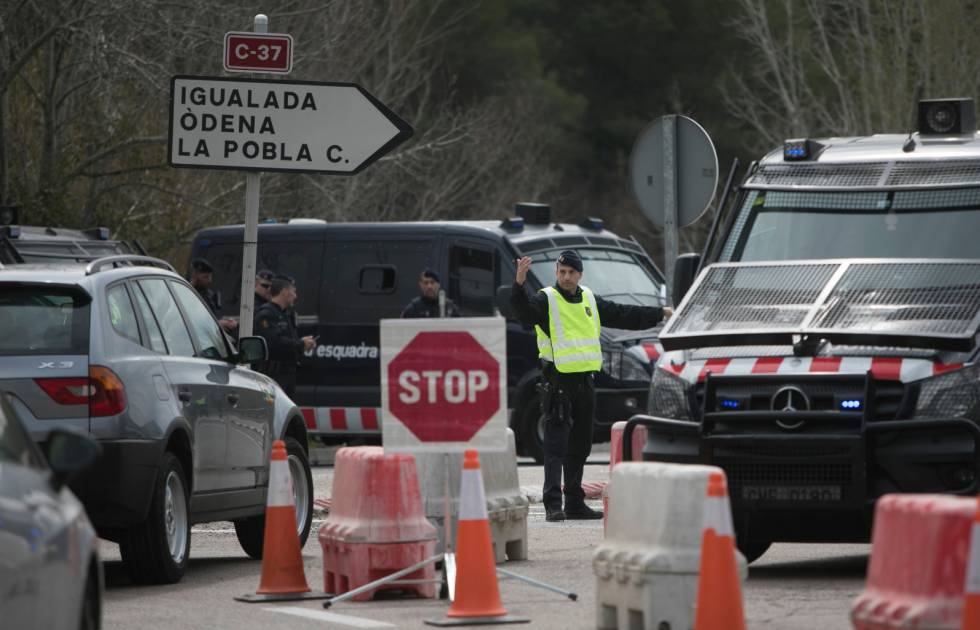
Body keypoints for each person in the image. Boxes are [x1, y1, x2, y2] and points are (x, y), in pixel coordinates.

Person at [511, 250, 672, 522]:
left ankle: (574, 502)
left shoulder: (588, 298)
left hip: (585, 381)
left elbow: (622, 314)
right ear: (556, 273)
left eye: (570, 272)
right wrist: (519, 284)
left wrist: (660, 313)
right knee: (555, 446)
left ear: (579, 274)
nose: (565, 277)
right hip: (558, 381)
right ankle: (553, 504)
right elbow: (523, 313)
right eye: (561, 272)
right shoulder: (546, 299)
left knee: (580, 445)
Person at [253, 274, 315, 398]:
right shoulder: (267, 314)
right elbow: (274, 343)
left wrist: (302, 345)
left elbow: (288, 341)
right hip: (274, 375)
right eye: (293, 291)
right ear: (285, 292)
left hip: (287, 374)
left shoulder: (285, 314)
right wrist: (301, 343)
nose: (295, 296)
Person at [189, 257, 237, 334]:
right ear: (195, 275)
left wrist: (227, 321)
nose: (209, 280)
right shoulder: (188, 294)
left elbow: (214, 316)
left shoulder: (209, 295)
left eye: (210, 276)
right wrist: (216, 324)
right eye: (205, 277)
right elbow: (192, 322)